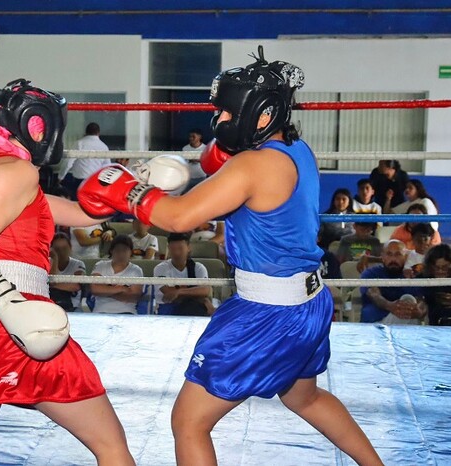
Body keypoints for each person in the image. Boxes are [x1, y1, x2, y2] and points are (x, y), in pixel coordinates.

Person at [77, 48, 382, 465]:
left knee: (189, 422)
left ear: (260, 115)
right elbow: (229, 179)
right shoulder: (298, 150)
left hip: (266, 314)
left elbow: (178, 216)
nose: (219, 120)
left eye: (226, 111)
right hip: (308, 302)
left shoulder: (252, 166)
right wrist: (217, 160)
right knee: (305, 397)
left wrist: (127, 188)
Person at [0, 79, 134, 465]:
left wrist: (135, 191)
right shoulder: (18, 173)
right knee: (112, 446)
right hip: (5, 312)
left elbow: (81, 213)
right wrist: (11, 308)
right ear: (39, 125)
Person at [359, 240, 425, 324]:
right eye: (389, 254)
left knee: (408, 299)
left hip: (408, 324)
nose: (393, 259)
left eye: (398, 254)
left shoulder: (412, 276)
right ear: (382, 256)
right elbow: (374, 295)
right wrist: (390, 306)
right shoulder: (371, 273)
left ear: (405, 257)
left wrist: (419, 312)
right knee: (406, 309)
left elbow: (421, 301)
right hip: (376, 323)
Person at [154, 233, 213, 316]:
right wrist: (194, 292)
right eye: (173, 249)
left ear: (188, 248)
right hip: (168, 307)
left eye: (180, 248)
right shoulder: (160, 268)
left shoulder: (198, 268)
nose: (176, 253)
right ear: (168, 249)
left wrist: (179, 291)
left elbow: (205, 290)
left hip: (192, 306)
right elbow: (169, 293)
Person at [89, 234, 144, 315]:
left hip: (127, 312)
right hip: (101, 311)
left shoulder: (136, 270)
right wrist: (122, 288)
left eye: (125, 250)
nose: (121, 254)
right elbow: (95, 289)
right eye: (117, 250)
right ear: (111, 251)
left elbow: (133, 297)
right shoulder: (100, 265)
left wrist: (105, 291)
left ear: (131, 252)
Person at [59, 122, 111, 200]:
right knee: (92, 207)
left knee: (77, 206)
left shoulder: (79, 144)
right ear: (98, 133)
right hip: (95, 183)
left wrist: (60, 177)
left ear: (86, 132)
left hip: (80, 182)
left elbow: (68, 163)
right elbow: (107, 167)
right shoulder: (104, 147)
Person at [49, 232, 86, 312]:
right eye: (57, 249)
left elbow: (75, 286)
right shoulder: (47, 263)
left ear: (70, 247)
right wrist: (55, 259)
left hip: (73, 307)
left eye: (64, 248)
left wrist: (52, 285)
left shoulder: (78, 264)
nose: (61, 252)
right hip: (52, 306)